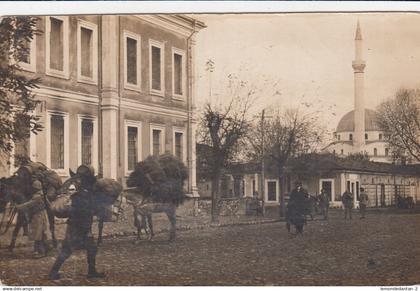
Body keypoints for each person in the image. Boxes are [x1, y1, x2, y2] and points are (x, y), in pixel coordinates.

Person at [48, 183, 105, 280]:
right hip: (78, 228)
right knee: (67, 250)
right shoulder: (83, 196)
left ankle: (92, 271)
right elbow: (84, 212)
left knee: (92, 249)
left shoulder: (80, 196)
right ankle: (53, 272)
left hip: (79, 228)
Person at [16, 180, 48, 258]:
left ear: (36, 188)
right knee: (40, 234)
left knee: (38, 234)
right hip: (41, 215)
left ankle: (41, 252)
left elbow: (29, 204)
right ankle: (38, 251)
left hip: (38, 216)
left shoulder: (37, 196)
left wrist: (19, 206)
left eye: (34, 187)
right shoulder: (42, 194)